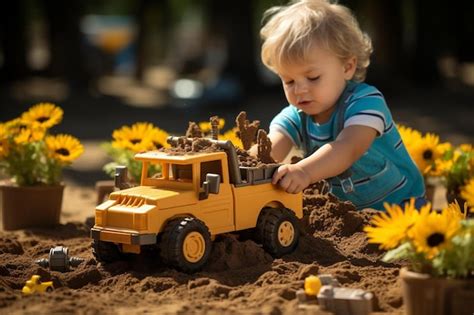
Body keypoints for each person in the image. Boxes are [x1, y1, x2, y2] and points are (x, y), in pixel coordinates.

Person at [259, 0, 425, 210]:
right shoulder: (296, 115)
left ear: (347, 67)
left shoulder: (366, 102)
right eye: (289, 81)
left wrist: (304, 171)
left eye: (313, 77)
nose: (299, 90)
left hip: (403, 206)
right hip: (352, 217)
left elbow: (347, 148)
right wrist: (243, 164)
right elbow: (268, 151)